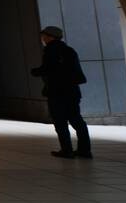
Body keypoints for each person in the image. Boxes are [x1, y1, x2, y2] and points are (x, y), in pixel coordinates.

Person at [31, 25, 91, 159]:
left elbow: (49, 69)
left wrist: (35, 71)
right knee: (76, 120)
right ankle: (85, 150)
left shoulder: (51, 51)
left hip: (56, 92)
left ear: (50, 37)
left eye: (44, 36)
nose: (43, 38)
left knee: (60, 122)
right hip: (72, 91)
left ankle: (67, 150)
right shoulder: (69, 50)